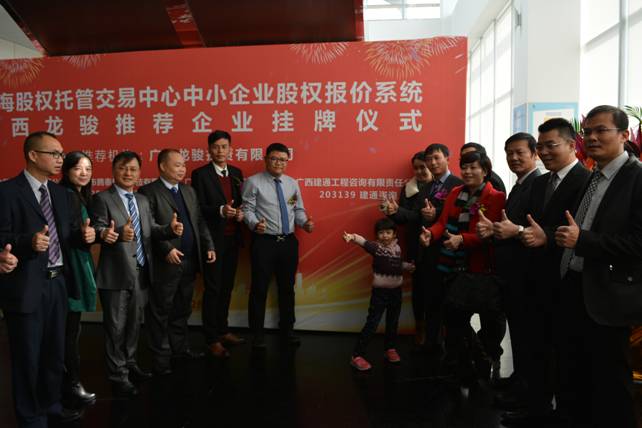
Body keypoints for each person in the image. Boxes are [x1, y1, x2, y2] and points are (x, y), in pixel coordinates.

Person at [0, 131, 95, 427]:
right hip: (26, 285)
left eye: (61, 154)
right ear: (32, 155)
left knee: (54, 353)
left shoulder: (61, 194)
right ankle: (30, 416)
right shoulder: (7, 192)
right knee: (27, 357)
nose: (60, 159)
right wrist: (27, 242)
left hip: (58, 283)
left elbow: (68, 235)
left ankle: (51, 404)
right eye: (54, 153)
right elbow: (2, 236)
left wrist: (85, 236)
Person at [553, 105, 641, 428]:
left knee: (611, 385)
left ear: (624, 135)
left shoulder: (636, 178)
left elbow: (638, 244)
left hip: (609, 297)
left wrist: (583, 240)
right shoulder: (594, 176)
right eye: (587, 131)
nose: (591, 137)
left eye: (601, 130)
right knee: (576, 376)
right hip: (575, 288)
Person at [501, 118, 590, 427]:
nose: (545, 152)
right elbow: (533, 226)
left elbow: (578, 230)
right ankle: (535, 405)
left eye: (551, 145)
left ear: (571, 145)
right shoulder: (541, 183)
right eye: (541, 146)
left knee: (562, 353)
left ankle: (558, 411)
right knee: (536, 347)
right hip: (535, 278)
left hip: (567, 282)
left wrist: (545, 236)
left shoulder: (585, 181)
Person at [91, 151, 182, 398]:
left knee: (133, 326)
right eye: (123, 168)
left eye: (133, 169)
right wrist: (116, 233)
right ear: (113, 170)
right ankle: (117, 375)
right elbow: (99, 228)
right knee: (115, 329)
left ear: (140, 172)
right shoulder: (102, 198)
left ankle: (130, 364)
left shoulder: (142, 199)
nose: (128, 173)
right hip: (116, 275)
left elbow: (151, 230)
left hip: (142, 273)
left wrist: (170, 229)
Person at [419, 151, 505, 385]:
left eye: (473, 167)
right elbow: (442, 223)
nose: (467, 172)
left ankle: (484, 359)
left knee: (488, 321)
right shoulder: (455, 192)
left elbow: (490, 234)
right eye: (464, 167)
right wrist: (430, 234)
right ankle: (467, 362)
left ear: (485, 171)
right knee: (454, 318)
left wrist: (463, 240)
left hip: (482, 268)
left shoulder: (495, 197)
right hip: (453, 268)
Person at [476, 133, 540, 404]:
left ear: (534, 154)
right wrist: (494, 229)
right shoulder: (520, 184)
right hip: (511, 273)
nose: (513, 158)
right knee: (519, 333)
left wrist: (512, 231)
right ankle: (519, 379)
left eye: (519, 152)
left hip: (526, 273)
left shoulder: (538, 184)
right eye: (509, 153)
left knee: (529, 336)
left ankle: (527, 390)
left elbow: (533, 229)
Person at [138, 149, 216, 373]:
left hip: (190, 260)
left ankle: (180, 349)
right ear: (162, 166)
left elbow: (199, 222)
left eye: (183, 165)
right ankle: (161, 357)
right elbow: (147, 226)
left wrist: (209, 246)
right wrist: (166, 249)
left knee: (182, 309)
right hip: (165, 263)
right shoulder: (148, 192)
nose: (182, 169)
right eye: (177, 165)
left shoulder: (189, 191)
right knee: (160, 311)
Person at [242, 142, 314, 348]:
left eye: (283, 160)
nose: (278, 163)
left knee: (287, 289)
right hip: (264, 242)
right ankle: (257, 334)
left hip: (288, 243)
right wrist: (254, 224)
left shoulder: (291, 184)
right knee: (259, 289)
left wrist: (304, 223)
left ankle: (287, 330)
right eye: (274, 158)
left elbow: (296, 209)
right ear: (266, 159)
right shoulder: (253, 182)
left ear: (287, 161)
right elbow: (247, 209)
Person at [191, 130, 246, 358]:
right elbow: (197, 208)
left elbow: (240, 202)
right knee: (213, 288)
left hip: (233, 238)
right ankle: (211, 338)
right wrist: (220, 210)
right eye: (216, 147)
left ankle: (223, 330)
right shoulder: (200, 174)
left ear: (230, 149)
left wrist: (240, 213)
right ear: (209, 149)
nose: (220, 151)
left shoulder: (236, 173)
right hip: (212, 240)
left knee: (226, 286)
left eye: (224, 146)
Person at [344, 218, 415, 371]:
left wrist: (407, 266)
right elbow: (363, 242)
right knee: (372, 323)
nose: (385, 236)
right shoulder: (376, 248)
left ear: (394, 234)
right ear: (377, 235)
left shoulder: (398, 248)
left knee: (392, 322)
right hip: (380, 294)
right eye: (381, 233)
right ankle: (357, 355)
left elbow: (397, 264)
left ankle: (390, 348)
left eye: (388, 232)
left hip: (396, 292)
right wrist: (352, 237)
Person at [59, 151, 98, 406]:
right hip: (68, 268)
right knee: (68, 332)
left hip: (78, 263)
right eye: (77, 168)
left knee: (71, 331)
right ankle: (70, 384)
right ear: (66, 170)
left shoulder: (81, 196)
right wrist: (82, 237)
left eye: (88, 168)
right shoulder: (65, 196)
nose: (83, 173)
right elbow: (66, 235)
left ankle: (70, 383)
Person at [416, 143, 463, 352]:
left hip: (450, 251)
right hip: (428, 251)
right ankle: (432, 343)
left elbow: (460, 217)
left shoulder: (458, 185)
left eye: (437, 158)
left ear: (447, 158)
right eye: (429, 159)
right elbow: (417, 216)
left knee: (452, 304)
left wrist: (436, 215)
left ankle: (452, 348)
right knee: (431, 300)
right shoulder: (426, 187)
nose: (433, 163)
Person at [383, 151, 432, 345]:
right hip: (415, 245)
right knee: (418, 289)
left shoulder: (442, 187)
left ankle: (438, 330)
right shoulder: (408, 189)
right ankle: (420, 328)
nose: (420, 171)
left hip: (437, 243)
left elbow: (421, 216)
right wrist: (393, 213)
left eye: (423, 167)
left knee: (437, 289)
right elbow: (404, 220)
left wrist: (401, 211)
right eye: (416, 168)